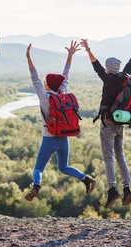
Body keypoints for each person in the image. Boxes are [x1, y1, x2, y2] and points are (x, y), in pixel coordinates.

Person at [80, 37, 131, 208]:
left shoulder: (109, 79)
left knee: (108, 158)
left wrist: (88, 49)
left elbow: (96, 66)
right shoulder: (125, 76)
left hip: (108, 124)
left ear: (108, 68)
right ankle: (127, 188)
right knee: (121, 157)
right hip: (121, 122)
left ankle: (112, 190)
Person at [24, 41, 96, 201]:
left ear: (48, 85)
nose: (42, 82)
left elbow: (34, 76)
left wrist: (28, 58)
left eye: (45, 82)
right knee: (64, 167)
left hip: (48, 139)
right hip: (64, 139)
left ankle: (36, 187)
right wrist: (70, 55)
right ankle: (86, 179)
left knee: (38, 169)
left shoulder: (44, 98)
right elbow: (66, 75)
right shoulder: (63, 93)